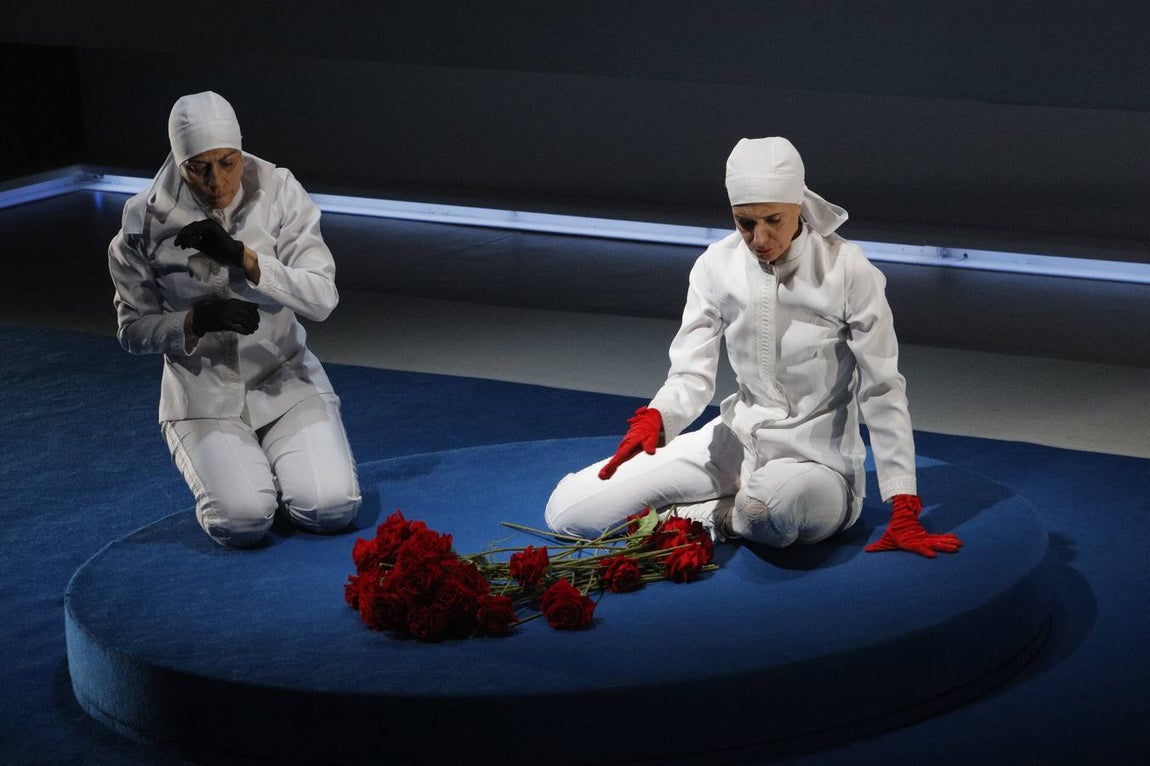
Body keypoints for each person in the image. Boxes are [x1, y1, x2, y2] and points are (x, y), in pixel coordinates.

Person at [546, 136, 961, 558]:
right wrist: (658, 416)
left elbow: (882, 387)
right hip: (734, 443)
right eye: (745, 223)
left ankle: (707, 518)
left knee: (767, 512)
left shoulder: (849, 269)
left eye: (773, 219)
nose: (759, 237)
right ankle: (720, 507)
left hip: (817, 465)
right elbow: (691, 372)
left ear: (798, 204)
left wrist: (902, 503)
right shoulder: (715, 264)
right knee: (569, 513)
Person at [108, 91, 361, 548]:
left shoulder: (279, 189)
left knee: (331, 509)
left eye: (227, 162)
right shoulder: (142, 220)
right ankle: (243, 473)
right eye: (198, 168)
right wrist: (197, 320)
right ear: (178, 162)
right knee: (243, 523)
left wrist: (245, 258)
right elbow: (132, 330)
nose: (216, 180)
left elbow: (323, 297)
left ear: (241, 151)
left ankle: (275, 467)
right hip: (202, 394)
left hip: (284, 381)